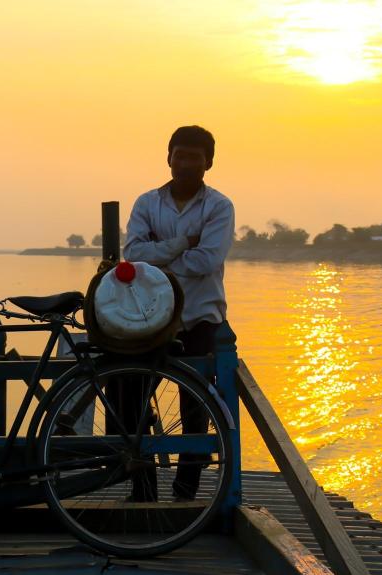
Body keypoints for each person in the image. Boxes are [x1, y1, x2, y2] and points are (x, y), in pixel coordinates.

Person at [121, 125, 235, 501]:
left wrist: (158, 255)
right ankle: (142, 486)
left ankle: (187, 489)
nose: (185, 163)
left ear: (209, 163)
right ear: (168, 158)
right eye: (179, 155)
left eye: (194, 157)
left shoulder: (219, 207)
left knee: (195, 405)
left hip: (200, 317)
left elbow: (208, 261)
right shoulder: (147, 203)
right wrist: (184, 241)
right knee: (131, 394)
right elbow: (134, 255)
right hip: (150, 316)